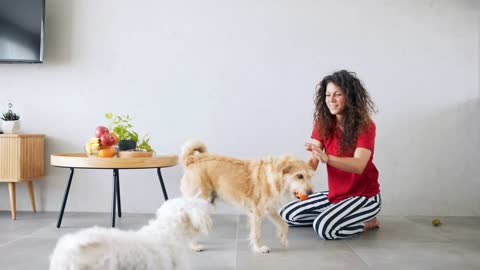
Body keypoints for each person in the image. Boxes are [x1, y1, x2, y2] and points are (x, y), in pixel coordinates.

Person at [280, 70, 381, 240]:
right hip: (336, 194)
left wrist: (327, 158)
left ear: (350, 97)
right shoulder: (323, 123)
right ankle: (336, 216)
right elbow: (313, 160)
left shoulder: (365, 126)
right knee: (287, 214)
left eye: (337, 94)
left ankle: (367, 222)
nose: (331, 100)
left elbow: (359, 165)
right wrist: (298, 183)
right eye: (327, 95)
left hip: (365, 196)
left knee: (324, 228)